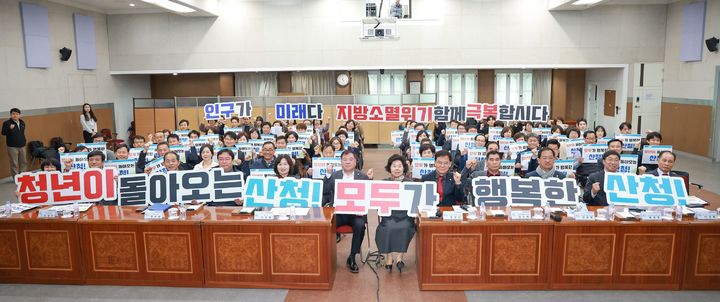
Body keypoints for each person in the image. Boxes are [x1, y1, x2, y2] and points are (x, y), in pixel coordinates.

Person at [322, 150, 374, 273]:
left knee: (360, 225)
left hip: (356, 214)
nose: (347, 162)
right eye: (344, 160)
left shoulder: (363, 176)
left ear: (356, 162)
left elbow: (369, 195)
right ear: (341, 162)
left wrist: (370, 180)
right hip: (339, 213)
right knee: (326, 225)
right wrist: (328, 174)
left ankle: (352, 257)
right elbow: (325, 190)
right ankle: (326, 256)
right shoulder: (335, 175)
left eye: (350, 159)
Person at [375, 154, 414, 273]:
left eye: (400, 166)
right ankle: (389, 257)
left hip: (405, 216)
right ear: (389, 168)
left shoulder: (410, 183)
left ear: (404, 168)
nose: (397, 168)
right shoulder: (383, 182)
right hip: (389, 215)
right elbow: (377, 201)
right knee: (386, 228)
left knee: (405, 227)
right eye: (394, 166)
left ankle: (399, 258)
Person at [2, 108, 27, 176]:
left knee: (23, 162)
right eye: (13, 114)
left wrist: (24, 141)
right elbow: (3, 133)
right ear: (11, 115)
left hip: (22, 146)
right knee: (14, 163)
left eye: (17, 114)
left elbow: (22, 133)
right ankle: (16, 177)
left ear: (19, 115)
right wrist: (9, 129)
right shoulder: (7, 123)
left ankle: (23, 176)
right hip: (12, 147)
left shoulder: (22, 122)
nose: (15, 115)